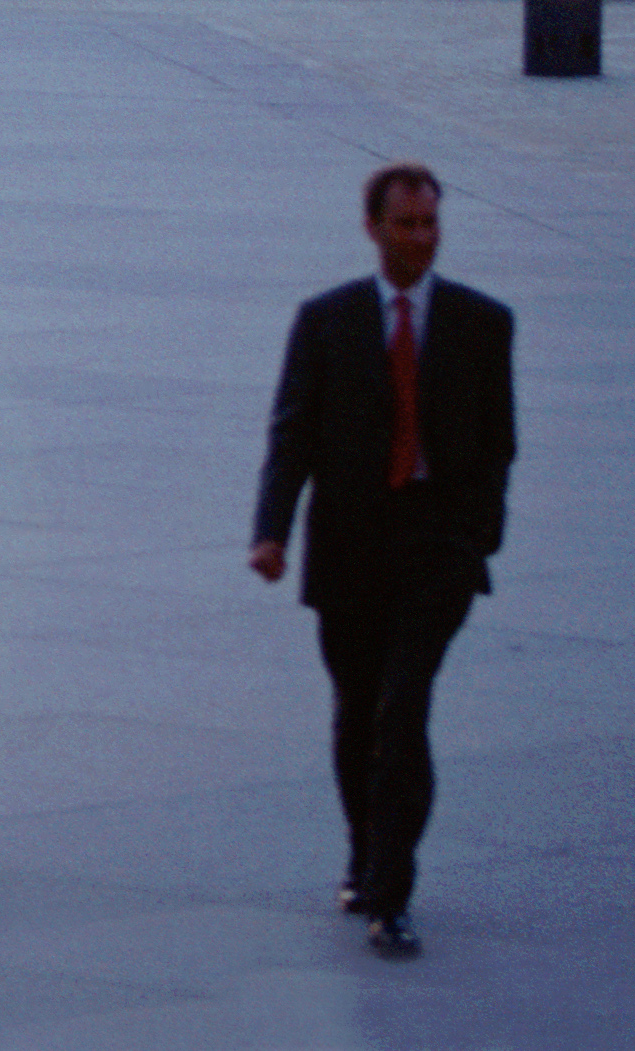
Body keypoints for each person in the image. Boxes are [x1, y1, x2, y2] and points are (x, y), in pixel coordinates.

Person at [252, 163, 517, 961]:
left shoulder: (481, 322)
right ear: (372, 227)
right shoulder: (325, 321)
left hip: (435, 545)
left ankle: (391, 895)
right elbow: (291, 432)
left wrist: (478, 536)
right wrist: (270, 532)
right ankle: (363, 853)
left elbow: (498, 439)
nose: (420, 239)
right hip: (349, 546)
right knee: (357, 715)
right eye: (405, 224)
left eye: (430, 224)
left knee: (403, 713)